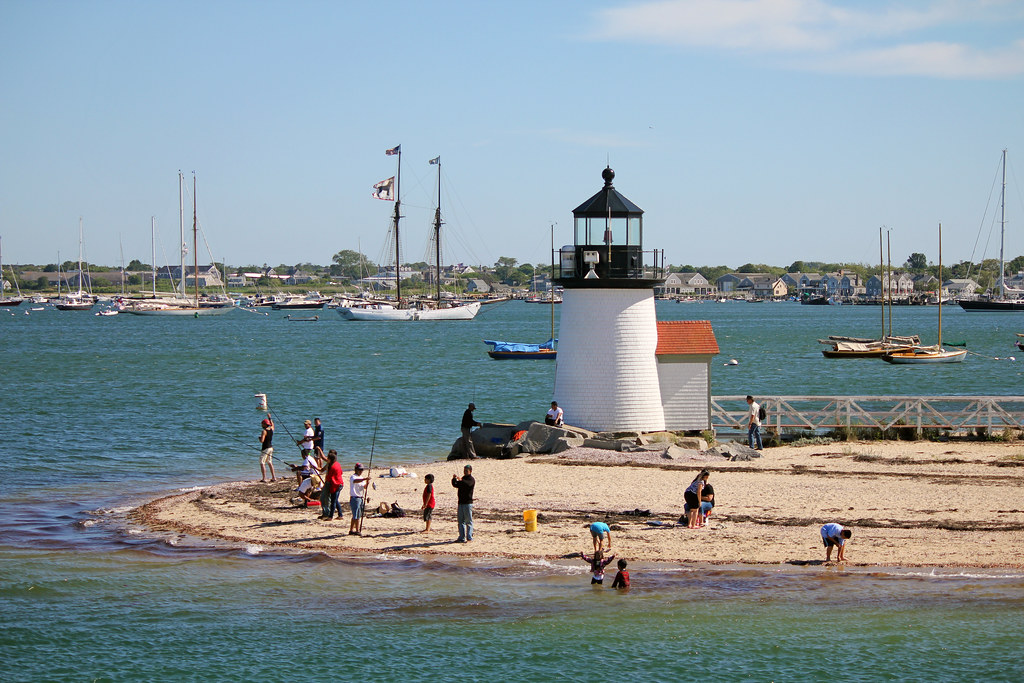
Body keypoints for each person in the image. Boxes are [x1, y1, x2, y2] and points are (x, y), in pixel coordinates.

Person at [452, 464, 475, 542]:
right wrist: (454, 479)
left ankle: (469, 537)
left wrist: (461, 480)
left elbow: (468, 484)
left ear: (470, 471)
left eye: (466, 470)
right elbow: (455, 485)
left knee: (469, 521)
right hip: (460, 502)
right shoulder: (463, 479)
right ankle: (461, 537)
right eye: (464, 470)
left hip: (468, 503)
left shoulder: (471, 479)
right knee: (461, 521)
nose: (465, 472)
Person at [319, 450, 344, 521]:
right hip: (340, 484)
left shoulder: (332, 467)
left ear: (330, 459)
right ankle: (340, 515)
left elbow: (329, 478)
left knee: (333, 501)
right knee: (335, 500)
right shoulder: (337, 464)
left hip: (336, 485)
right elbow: (341, 472)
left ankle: (330, 516)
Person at [348, 463, 369, 536]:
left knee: (358, 515)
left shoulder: (361, 478)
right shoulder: (353, 477)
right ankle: (355, 530)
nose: (361, 471)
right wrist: (364, 479)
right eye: (359, 470)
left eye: (362, 470)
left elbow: (364, 487)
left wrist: (367, 483)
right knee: (355, 515)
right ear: (356, 469)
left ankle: (353, 530)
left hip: (360, 498)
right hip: (355, 498)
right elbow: (356, 481)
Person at [258, 415, 276, 482]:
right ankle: (274, 477)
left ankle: (264, 478)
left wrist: (259, 438)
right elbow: (273, 424)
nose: (262, 425)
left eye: (262, 424)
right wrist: (270, 418)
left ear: (265, 424)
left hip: (265, 448)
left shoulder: (264, 431)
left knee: (262, 462)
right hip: (271, 448)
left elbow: (262, 441)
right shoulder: (271, 429)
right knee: (269, 462)